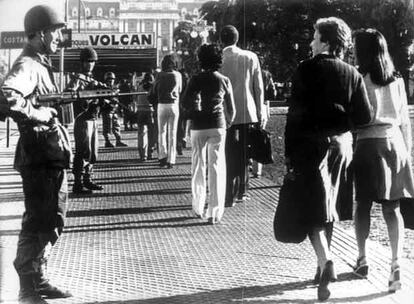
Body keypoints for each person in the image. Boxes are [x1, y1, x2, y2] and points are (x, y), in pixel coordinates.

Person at [284, 17, 372, 301]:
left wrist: (289, 153)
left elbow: (294, 115)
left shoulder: (305, 69)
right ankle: (321, 271)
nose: (311, 41)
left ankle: (325, 260)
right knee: (330, 205)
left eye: (314, 36)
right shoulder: (352, 73)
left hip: (311, 144)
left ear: (325, 40)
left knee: (311, 207)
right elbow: (364, 117)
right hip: (342, 145)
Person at [0, 5, 73, 303]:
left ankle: (38, 279)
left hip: (47, 155)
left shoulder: (39, 63)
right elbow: (7, 96)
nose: (59, 37)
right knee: (39, 221)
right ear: (41, 33)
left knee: (52, 218)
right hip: (39, 156)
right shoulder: (28, 64)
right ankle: (27, 290)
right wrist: (41, 114)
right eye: (55, 31)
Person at [352, 29, 414, 293]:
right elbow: (404, 120)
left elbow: (357, 120)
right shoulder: (397, 80)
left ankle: (363, 257)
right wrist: (407, 152)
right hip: (395, 145)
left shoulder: (359, 79)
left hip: (368, 144)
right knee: (393, 208)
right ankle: (396, 262)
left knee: (363, 205)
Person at [182, 44, 235, 224]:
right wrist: (226, 123)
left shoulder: (195, 79)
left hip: (198, 126)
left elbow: (185, 102)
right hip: (218, 125)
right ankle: (215, 212)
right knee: (217, 167)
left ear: (200, 59)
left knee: (198, 166)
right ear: (218, 60)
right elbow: (232, 110)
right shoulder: (224, 80)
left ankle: (198, 206)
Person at [219, 25, 265, 207]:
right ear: (237, 39)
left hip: (225, 112)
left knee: (228, 151)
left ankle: (228, 191)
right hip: (248, 110)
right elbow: (258, 87)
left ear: (221, 40)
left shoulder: (219, 58)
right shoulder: (250, 57)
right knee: (245, 152)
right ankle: (242, 190)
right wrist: (260, 111)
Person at [68, 47, 104, 194]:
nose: (90, 64)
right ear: (82, 62)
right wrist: (85, 94)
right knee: (83, 151)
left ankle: (87, 179)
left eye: (92, 62)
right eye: (88, 62)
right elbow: (69, 93)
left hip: (94, 118)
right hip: (82, 119)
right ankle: (77, 182)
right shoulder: (77, 79)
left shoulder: (92, 79)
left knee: (93, 152)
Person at [149, 55, 182, 168]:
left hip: (162, 105)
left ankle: (162, 158)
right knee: (172, 133)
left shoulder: (160, 75)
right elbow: (180, 89)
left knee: (161, 132)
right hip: (174, 105)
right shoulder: (178, 75)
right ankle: (171, 160)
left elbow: (154, 90)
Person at [252, 65, 277, 178]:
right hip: (264, 106)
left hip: (252, 106)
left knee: (251, 136)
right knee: (260, 137)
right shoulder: (267, 75)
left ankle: (250, 161)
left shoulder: (251, 73)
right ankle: (258, 168)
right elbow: (273, 93)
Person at [101, 71, 127, 148]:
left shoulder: (115, 88)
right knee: (107, 126)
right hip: (106, 109)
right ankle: (107, 141)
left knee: (117, 126)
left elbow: (117, 97)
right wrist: (109, 101)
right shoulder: (103, 88)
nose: (111, 80)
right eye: (109, 79)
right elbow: (101, 98)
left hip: (114, 109)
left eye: (112, 79)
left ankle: (118, 140)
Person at [136, 72, 156, 161]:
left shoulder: (139, 87)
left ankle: (142, 155)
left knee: (141, 133)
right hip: (150, 111)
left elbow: (135, 98)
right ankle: (150, 153)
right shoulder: (153, 87)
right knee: (151, 134)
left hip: (140, 111)